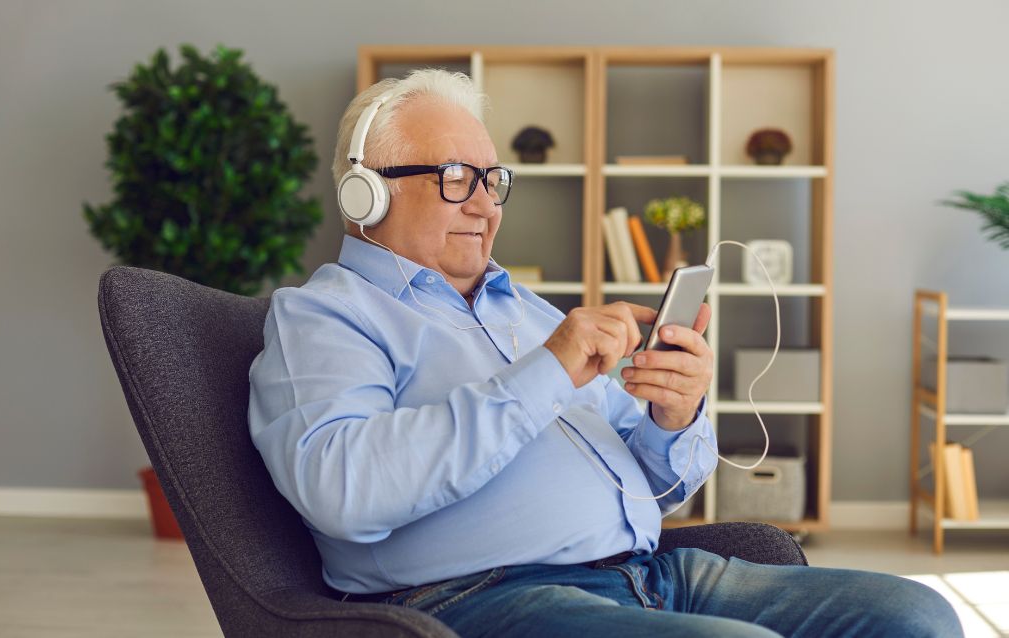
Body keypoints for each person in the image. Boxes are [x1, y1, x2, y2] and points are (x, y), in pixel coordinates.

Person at [248, 69, 961, 638]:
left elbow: (656, 485)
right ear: (365, 193)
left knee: (917, 617)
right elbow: (342, 489)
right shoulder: (323, 316)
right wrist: (546, 372)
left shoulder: (527, 312)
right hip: (479, 599)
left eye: (493, 181)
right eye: (456, 178)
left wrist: (672, 419)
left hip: (652, 572)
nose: (487, 205)